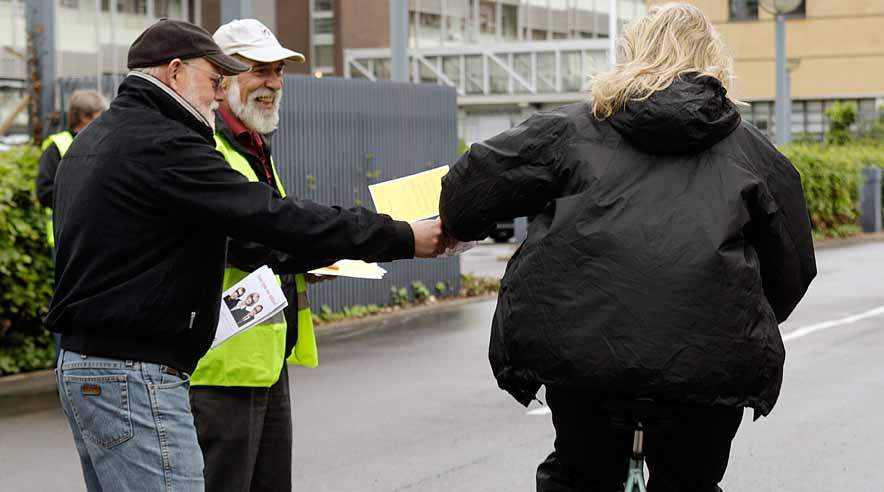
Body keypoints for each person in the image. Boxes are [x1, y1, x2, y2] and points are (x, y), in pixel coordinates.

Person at [49, 19, 444, 492]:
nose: (218, 94)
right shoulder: (168, 144)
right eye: (215, 80)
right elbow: (271, 219)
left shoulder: (98, 140)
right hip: (147, 371)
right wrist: (402, 237)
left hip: (93, 364)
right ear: (175, 73)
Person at [439, 3, 816, 491]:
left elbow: (465, 199)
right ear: (713, 61)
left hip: (583, 359)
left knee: (578, 473)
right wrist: (734, 313)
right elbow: (794, 269)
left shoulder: (569, 131)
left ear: (630, 54)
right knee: (691, 480)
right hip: (706, 365)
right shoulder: (753, 153)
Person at [187, 19, 350, 491]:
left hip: (263, 361)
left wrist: (311, 262)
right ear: (223, 76)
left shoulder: (254, 146)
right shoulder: (205, 147)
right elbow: (248, 240)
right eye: (260, 70)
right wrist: (315, 250)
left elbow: (273, 237)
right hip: (218, 368)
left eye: (278, 71)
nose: (274, 83)